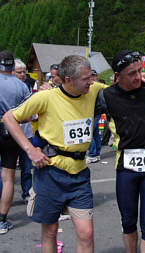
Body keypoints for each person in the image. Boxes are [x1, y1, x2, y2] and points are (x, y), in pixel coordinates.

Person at [3, 55, 106, 252]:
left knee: (87, 233)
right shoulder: (45, 97)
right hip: (50, 174)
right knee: (50, 231)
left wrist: (144, 77)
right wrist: (30, 150)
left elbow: (122, 89)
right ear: (69, 80)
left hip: (80, 175)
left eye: (91, 77)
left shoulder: (92, 90)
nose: (91, 82)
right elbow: (9, 118)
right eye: (86, 79)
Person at [97, 50, 145, 253]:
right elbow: (78, 99)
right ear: (118, 76)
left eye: (139, 71)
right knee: (128, 222)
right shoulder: (106, 96)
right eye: (131, 73)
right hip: (125, 167)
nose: (137, 77)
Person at [0, 50, 31, 234]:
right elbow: (27, 116)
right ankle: (2, 220)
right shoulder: (21, 86)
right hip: (11, 131)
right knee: (8, 178)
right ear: (13, 66)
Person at [12, 59, 33, 202]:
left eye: (24, 72)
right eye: (19, 72)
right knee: (8, 170)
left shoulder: (27, 87)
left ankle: (27, 193)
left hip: (26, 133)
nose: (22, 74)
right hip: (10, 134)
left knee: (27, 168)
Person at [87, 70, 102, 164]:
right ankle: (96, 153)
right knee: (95, 133)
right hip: (93, 112)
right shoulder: (91, 86)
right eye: (90, 75)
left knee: (89, 134)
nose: (92, 77)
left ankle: (92, 154)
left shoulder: (98, 86)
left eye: (94, 75)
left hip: (95, 112)